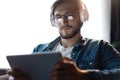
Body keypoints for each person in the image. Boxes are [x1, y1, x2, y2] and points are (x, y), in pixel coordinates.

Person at [1, 0, 120, 80]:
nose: (63, 22)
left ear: (82, 17)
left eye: (70, 16)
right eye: (58, 17)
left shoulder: (100, 47)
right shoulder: (39, 49)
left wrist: (82, 75)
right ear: (53, 21)